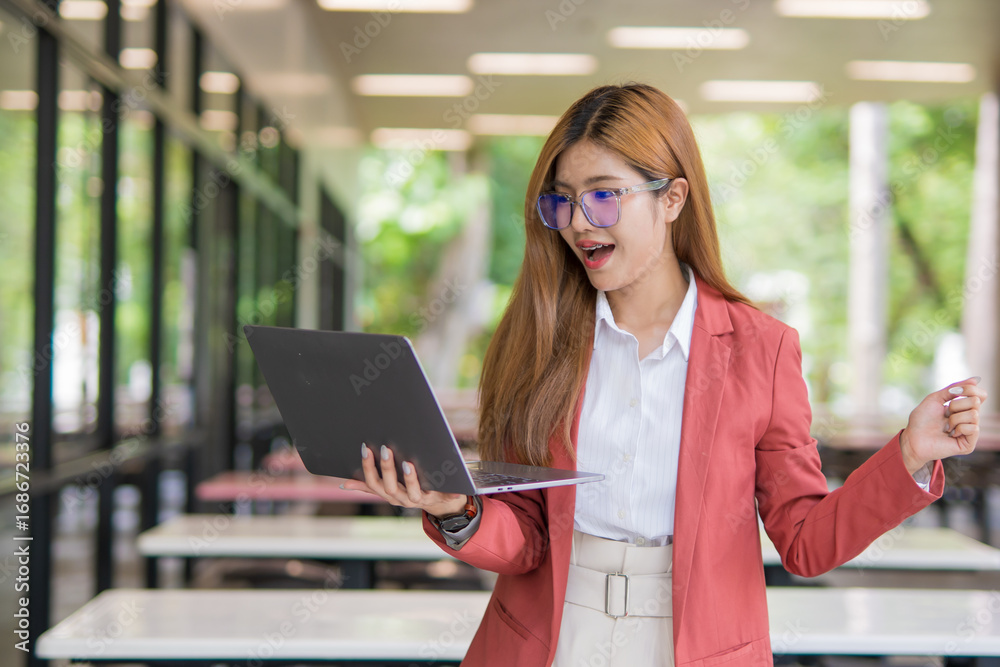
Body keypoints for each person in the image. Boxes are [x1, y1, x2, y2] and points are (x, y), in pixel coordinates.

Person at [341, 83, 988, 666]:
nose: (579, 223)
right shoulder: (536, 338)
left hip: (694, 648)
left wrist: (909, 454)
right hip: (550, 638)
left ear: (673, 197)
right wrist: (456, 509)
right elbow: (528, 539)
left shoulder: (761, 350)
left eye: (603, 195)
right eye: (562, 202)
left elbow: (805, 542)